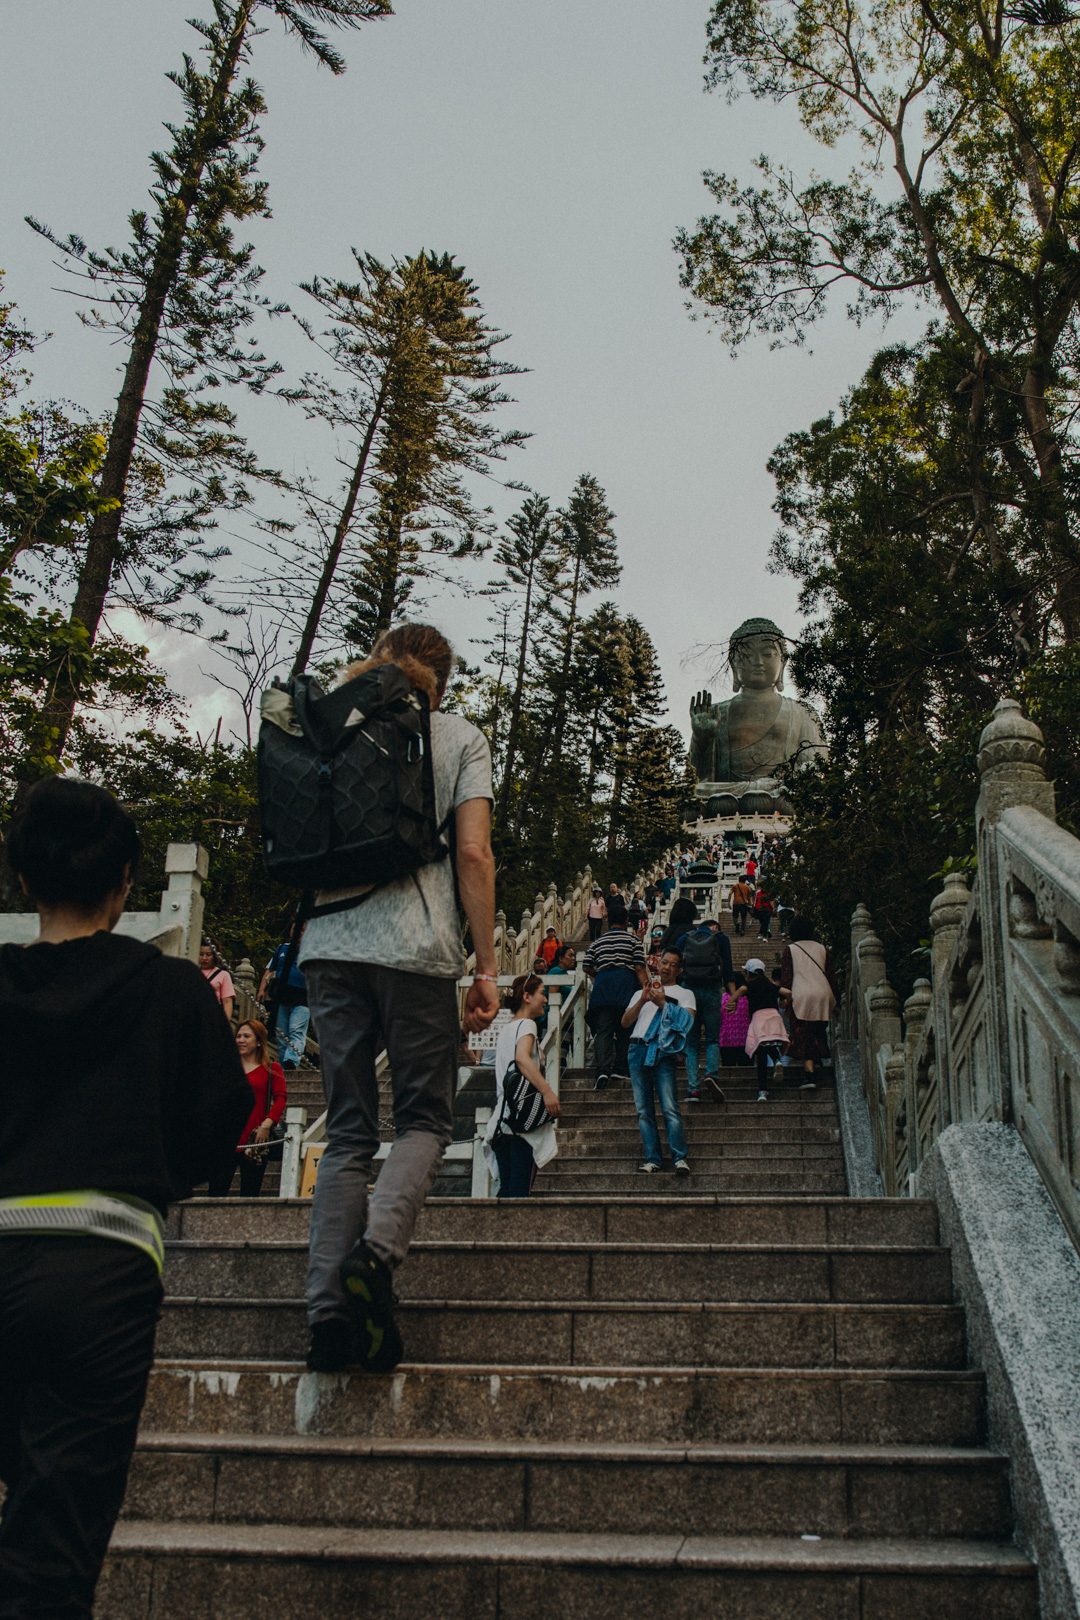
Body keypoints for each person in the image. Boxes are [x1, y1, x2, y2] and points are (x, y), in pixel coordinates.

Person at [0, 777, 251, 1619]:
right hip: (99, 1267)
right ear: (126, 881)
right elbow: (219, 1126)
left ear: (24, 878)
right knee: (55, 1534)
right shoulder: (171, 989)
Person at [297, 623, 499, 1376]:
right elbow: (473, 852)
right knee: (422, 1118)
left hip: (327, 945)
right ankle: (375, 1259)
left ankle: (326, 1319)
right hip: (416, 948)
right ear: (443, 678)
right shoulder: (457, 736)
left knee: (347, 1133)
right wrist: (484, 966)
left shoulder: (333, 724)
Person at [483, 975, 561, 1197]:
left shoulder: (507, 1028)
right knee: (519, 1195)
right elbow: (522, 1059)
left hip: (502, 1121)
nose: (545, 1000)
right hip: (522, 1123)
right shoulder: (528, 1024)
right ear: (527, 997)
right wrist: (547, 1091)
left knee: (507, 1190)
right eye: (542, 994)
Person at [620, 948, 694, 1174]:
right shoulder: (640, 992)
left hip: (662, 1051)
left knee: (669, 1107)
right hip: (637, 1048)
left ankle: (679, 1158)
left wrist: (663, 1003)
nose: (667, 967)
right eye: (664, 962)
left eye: (673, 964)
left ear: (679, 970)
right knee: (643, 1109)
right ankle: (653, 1158)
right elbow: (625, 1022)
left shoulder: (684, 993)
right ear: (657, 963)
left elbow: (688, 1021)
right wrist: (642, 1001)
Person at [207, 1020, 287, 1197]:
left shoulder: (272, 1069)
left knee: (250, 1194)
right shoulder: (226, 1069)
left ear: (259, 1041)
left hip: (255, 1140)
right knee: (215, 1194)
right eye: (238, 1036)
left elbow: (280, 1099)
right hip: (225, 1139)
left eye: (246, 1036)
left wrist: (267, 1125)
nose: (241, 1040)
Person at [583, 899, 647, 1090]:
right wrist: (646, 987)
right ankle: (620, 1067)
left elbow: (586, 966)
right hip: (625, 984)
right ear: (627, 920)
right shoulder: (633, 940)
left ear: (608, 920)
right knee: (625, 1029)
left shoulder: (598, 941)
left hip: (603, 986)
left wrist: (600, 974)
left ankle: (602, 1070)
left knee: (603, 1031)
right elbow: (638, 966)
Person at [780, 916, 840, 1091]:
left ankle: (810, 1075)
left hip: (802, 995)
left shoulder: (790, 949)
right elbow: (831, 976)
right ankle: (818, 1063)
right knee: (818, 1032)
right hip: (823, 995)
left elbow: (787, 977)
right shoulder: (822, 949)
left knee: (803, 1035)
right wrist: (836, 1001)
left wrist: (785, 999)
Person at [678, 917, 735, 1103]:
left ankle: (694, 1089)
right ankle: (711, 1074)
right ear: (713, 928)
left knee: (691, 1043)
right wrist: (733, 997)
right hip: (712, 990)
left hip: (689, 991)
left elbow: (676, 966)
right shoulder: (721, 938)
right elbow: (728, 969)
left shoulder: (684, 938)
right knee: (712, 1038)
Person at [726, 958, 789, 1101]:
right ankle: (777, 1060)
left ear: (748, 973)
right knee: (769, 1044)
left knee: (761, 1054)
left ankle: (762, 1091)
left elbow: (741, 989)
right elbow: (788, 992)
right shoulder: (770, 985)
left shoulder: (749, 985)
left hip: (759, 1019)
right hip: (774, 1017)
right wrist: (785, 1002)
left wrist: (732, 1001)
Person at [258, 931, 310, 1070]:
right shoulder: (282, 948)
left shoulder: (312, 950)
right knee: (282, 1036)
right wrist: (261, 989)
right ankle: (284, 1069)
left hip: (302, 999)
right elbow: (269, 970)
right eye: (298, 930)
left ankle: (291, 1061)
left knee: (296, 1031)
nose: (300, 933)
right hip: (281, 998)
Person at [719, 969, 750, 1065]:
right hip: (745, 1039)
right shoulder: (747, 999)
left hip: (726, 1040)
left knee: (728, 1066)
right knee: (746, 1068)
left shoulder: (722, 999)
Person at [200, 939, 235, 1023]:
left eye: (208, 955)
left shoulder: (223, 975)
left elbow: (227, 1002)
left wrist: (225, 1024)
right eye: (201, 954)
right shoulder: (193, 971)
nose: (204, 958)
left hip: (213, 1017)